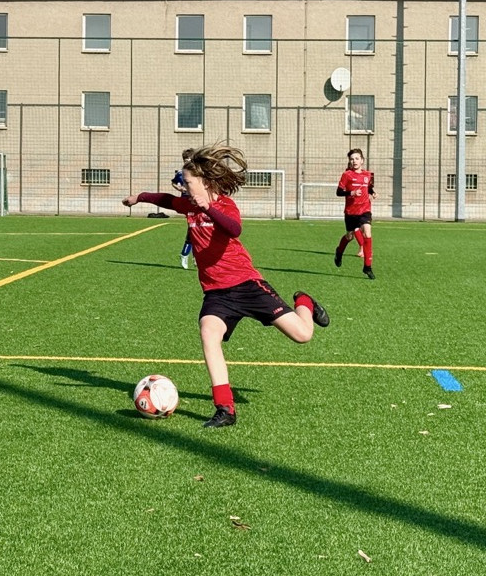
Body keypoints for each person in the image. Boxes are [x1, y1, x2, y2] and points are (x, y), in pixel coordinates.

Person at [122, 144, 330, 428]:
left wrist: (208, 209)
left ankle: (304, 301)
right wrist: (139, 197)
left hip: (247, 285)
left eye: (188, 182)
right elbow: (167, 200)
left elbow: (235, 229)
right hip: (216, 294)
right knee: (208, 332)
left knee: (303, 335)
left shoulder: (224, 205)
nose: (184, 187)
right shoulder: (190, 206)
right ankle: (225, 409)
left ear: (205, 183)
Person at [334, 148, 376, 280]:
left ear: (362, 160)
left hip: (365, 210)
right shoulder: (347, 175)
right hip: (351, 212)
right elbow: (338, 192)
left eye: (357, 158)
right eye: (352, 159)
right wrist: (351, 193)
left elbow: (369, 187)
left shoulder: (368, 174)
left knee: (367, 233)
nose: (354, 161)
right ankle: (339, 251)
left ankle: (367, 266)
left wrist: (373, 192)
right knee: (350, 236)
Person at [171, 148, 195, 269]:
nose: (187, 162)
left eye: (189, 160)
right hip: (187, 202)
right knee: (193, 227)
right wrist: (179, 188)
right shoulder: (181, 173)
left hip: (198, 202)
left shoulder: (198, 172)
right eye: (185, 160)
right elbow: (174, 182)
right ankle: (185, 254)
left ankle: (193, 256)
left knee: (198, 228)